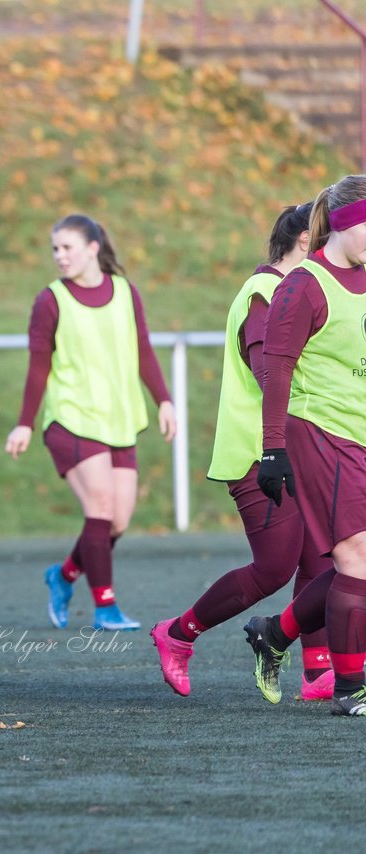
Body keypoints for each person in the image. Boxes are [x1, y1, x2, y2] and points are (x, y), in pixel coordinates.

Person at [149, 204, 335, 699]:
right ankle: (178, 634)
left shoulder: (309, 292)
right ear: (303, 240)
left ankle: (318, 671)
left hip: (305, 446)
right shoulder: (265, 294)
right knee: (274, 567)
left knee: (323, 555)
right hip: (261, 453)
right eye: (327, 235)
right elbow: (270, 374)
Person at [5, 214, 176, 631]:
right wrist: (25, 422)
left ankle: (62, 576)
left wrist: (164, 400)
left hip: (119, 418)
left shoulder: (125, 293)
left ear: (93, 248)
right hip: (72, 418)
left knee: (117, 521)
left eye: (67, 247)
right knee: (99, 506)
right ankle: (106, 607)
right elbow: (38, 366)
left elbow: (143, 351)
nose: (59, 256)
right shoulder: (50, 300)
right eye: (55, 249)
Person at [238, 174, 366, 715]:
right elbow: (276, 368)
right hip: (318, 433)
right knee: (357, 557)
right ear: (344, 224)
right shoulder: (305, 284)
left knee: (352, 567)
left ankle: (275, 631)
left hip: (358, 434)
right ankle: (350, 689)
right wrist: (273, 450)